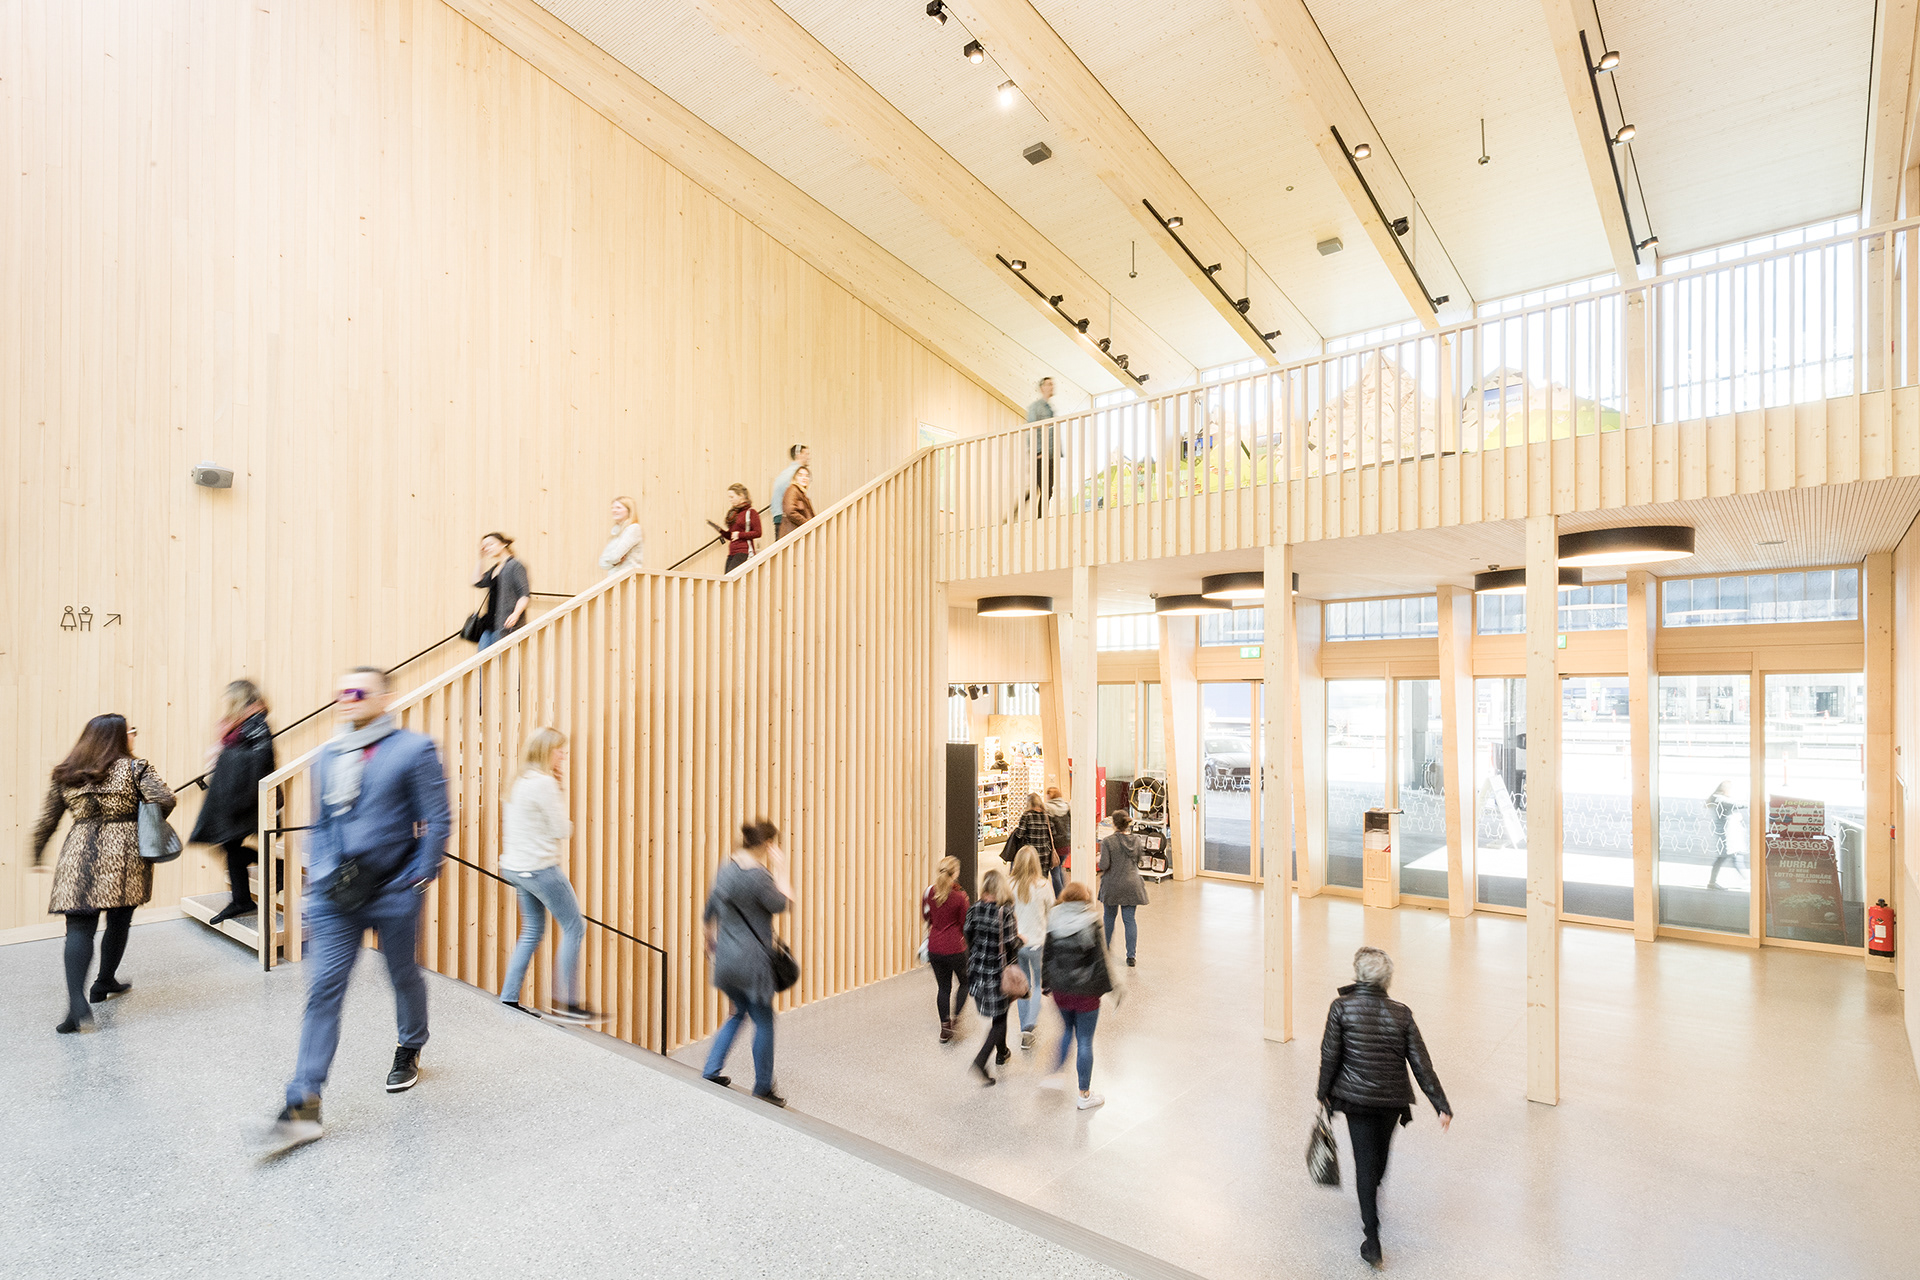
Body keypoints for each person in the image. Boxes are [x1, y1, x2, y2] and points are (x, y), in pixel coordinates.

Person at [258, 666, 451, 1156]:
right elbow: (322, 823)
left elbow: (437, 819)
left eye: (358, 691)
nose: (347, 698)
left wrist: (419, 878)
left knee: (402, 973)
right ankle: (303, 1105)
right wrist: (319, 875)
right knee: (324, 990)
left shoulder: (414, 750)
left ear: (384, 698)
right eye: (341, 692)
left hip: (394, 891)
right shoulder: (326, 755)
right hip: (336, 895)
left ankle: (410, 1045)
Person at [30, 714, 175, 1033]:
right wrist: (141, 816)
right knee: (119, 919)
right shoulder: (135, 767)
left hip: (78, 849)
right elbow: (165, 799)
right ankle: (104, 980)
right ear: (119, 737)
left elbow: (48, 819)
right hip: (124, 851)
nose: (133, 735)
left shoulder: (66, 771)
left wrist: (37, 851)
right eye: (131, 731)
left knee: (79, 926)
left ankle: (76, 1004)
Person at [1316, 946, 1452, 1269]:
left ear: (1358, 975)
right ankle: (1372, 1205)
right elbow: (1421, 1063)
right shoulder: (1402, 1013)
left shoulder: (1341, 1007)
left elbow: (1329, 1055)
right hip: (1392, 1101)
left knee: (1365, 1163)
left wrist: (1323, 1093)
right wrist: (1440, 1104)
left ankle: (1372, 1240)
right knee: (1378, 1157)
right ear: (1387, 980)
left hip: (1356, 1100)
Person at [499, 727, 599, 1023]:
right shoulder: (543, 783)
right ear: (546, 751)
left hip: (516, 867)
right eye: (560, 750)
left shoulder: (519, 780)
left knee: (532, 930)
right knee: (574, 927)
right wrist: (565, 815)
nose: (563, 755)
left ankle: (509, 996)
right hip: (540, 868)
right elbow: (560, 829)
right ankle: (567, 1003)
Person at [701, 820, 793, 1106]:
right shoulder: (759, 876)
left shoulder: (725, 869)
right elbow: (783, 903)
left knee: (738, 1012)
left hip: (726, 959)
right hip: (752, 963)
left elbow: (708, 914)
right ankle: (763, 1087)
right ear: (768, 845)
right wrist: (782, 868)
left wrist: (711, 946)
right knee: (764, 1020)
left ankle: (711, 1070)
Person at [188, 680, 278, 925]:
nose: (227, 700)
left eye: (230, 696)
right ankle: (243, 899)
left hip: (247, 797)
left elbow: (263, 759)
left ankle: (274, 872)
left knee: (227, 843)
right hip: (231, 795)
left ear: (240, 697)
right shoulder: (241, 721)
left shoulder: (257, 721)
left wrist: (226, 756)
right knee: (227, 844)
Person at [1039, 882, 1112, 1110]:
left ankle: (1056, 1073)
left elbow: (1047, 955)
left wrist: (1046, 983)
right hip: (1086, 992)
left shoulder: (1054, 918)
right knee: (1085, 1040)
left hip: (1061, 990)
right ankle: (1084, 1094)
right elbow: (1100, 960)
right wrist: (1105, 988)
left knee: (1066, 1030)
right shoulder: (1091, 921)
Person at [963, 868, 1020, 1086]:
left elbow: (967, 933)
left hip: (978, 970)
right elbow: (1012, 943)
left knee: (999, 1014)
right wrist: (1022, 940)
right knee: (1000, 1018)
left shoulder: (974, 908)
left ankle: (1002, 1052)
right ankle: (981, 1060)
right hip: (998, 972)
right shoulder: (1005, 912)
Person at [921, 856, 971, 1042]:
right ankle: (956, 1018)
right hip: (955, 948)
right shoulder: (960, 897)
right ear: (955, 873)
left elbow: (926, 917)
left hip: (935, 947)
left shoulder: (929, 893)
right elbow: (965, 923)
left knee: (943, 988)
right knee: (965, 983)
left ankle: (944, 1027)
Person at [1009, 846, 1053, 1049]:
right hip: (1038, 943)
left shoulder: (1009, 885)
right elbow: (1051, 912)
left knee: (1022, 986)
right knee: (1036, 985)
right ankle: (1029, 1026)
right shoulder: (1044, 885)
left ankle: (1023, 1026)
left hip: (1017, 944)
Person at [1097, 811, 1148, 966]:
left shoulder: (1108, 841)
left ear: (1114, 824)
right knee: (1129, 919)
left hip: (1112, 884)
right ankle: (1131, 956)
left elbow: (1104, 865)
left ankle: (1105, 950)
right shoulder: (1137, 840)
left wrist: (1098, 859)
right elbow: (1138, 860)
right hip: (1132, 884)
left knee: (1109, 917)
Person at [472, 532, 531, 649]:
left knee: (505, 660)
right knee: (483, 661)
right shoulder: (496, 567)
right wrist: (481, 558)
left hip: (505, 625)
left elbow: (524, 594)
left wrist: (516, 614)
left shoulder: (515, 565)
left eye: (490, 544)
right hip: (489, 625)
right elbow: (477, 581)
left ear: (503, 544)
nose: (487, 548)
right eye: (484, 547)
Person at [1023, 376, 1058, 514]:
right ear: (1042, 388)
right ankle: (1040, 518)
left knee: (1046, 489)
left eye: (1052, 384)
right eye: (1049, 384)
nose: (1052, 387)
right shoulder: (1036, 407)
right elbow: (1032, 429)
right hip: (1041, 453)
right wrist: (1038, 451)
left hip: (1049, 454)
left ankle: (1039, 517)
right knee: (1044, 488)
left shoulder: (1050, 408)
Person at [707, 483, 761, 572]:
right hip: (732, 552)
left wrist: (739, 535)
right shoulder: (735, 513)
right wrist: (720, 530)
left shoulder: (751, 512)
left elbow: (758, 533)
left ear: (741, 496)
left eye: (732, 497)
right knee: (727, 577)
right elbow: (731, 536)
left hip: (744, 551)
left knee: (732, 576)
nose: (730, 500)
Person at [1706, 780, 1744, 889]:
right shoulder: (1721, 799)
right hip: (1727, 835)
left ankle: (1712, 882)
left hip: (1728, 834)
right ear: (1726, 789)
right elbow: (1738, 805)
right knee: (1727, 857)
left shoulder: (1719, 799)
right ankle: (1750, 881)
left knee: (1732, 857)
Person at [597, 495, 645, 578]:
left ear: (629, 510)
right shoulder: (616, 532)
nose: (614, 510)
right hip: (614, 578)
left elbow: (615, 557)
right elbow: (602, 563)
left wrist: (612, 560)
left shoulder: (633, 528)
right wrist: (614, 561)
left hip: (629, 578)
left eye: (618, 508)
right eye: (612, 508)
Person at [770, 443, 809, 540]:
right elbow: (790, 507)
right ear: (798, 454)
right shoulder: (793, 474)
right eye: (806, 454)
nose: (808, 457)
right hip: (786, 519)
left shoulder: (785, 473)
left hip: (780, 515)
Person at [1044, 786, 1071, 894]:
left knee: (1055, 872)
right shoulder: (1066, 806)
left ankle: (1060, 896)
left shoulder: (1047, 808)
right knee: (1060, 869)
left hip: (1055, 845)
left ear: (1050, 796)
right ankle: (1064, 893)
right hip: (1066, 843)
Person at [780, 465, 816, 536]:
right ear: (795, 478)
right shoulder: (792, 490)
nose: (804, 478)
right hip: (793, 534)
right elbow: (790, 512)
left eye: (806, 476)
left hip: (799, 533)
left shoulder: (801, 493)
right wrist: (807, 524)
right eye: (800, 475)